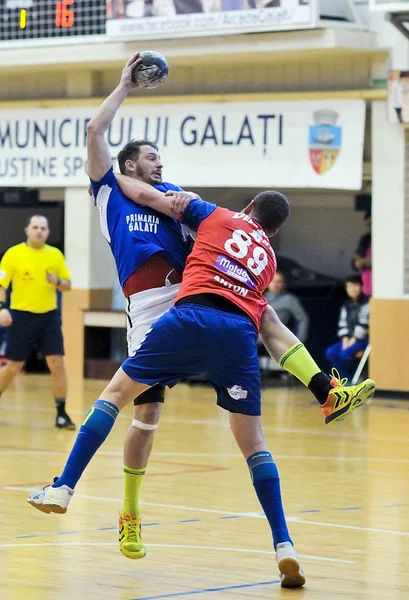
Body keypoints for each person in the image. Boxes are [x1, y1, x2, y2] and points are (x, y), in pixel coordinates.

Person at [27, 185, 376, 586]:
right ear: (274, 232)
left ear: (247, 207)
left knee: (116, 397)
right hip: (237, 339)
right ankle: (285, 545)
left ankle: (64, 487)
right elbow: (271, 328)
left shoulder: (216, 214)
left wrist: (114, 180)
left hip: (187, 319)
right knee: (255, 445)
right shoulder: (267, 258)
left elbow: (153, 197)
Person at [0, 215, 75, 429]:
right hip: (21, 316)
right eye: (35, 227)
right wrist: (2, 309)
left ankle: (61, 414)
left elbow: (68, 284)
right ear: (27, 230)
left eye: (43, 228)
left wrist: (57, 281)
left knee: (56, 363)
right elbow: (1, 284)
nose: (39, 231)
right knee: (14, 366)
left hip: (48, 317)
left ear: (48, 232)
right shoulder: (13, 254)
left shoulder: (55, 255)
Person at [325, 274, 369, 380]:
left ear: (361, 286)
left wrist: (353, 340)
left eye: (355, 285)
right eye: (349, 286)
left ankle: (358, 377)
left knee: (345, 354)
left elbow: (364, 323)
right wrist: (345, 340)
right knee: (331, 352)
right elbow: (343, 323)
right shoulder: (346, 304)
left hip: (363, 340)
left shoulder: (367, 303)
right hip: (349, 340)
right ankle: (348, 378)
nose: (352, 289)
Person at [264, 270, 309, 342]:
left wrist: (300, 340)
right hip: (259, 338)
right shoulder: (260, 298)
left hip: (279, 337)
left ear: (283, 284)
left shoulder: (289, 299)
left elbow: (302, 319)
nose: (275, 284)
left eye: (279, 282)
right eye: (273, 281)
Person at [352, 211, 371, 297]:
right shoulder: (365, 239)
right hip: (368, 287)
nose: (371, 227)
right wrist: (357, 263)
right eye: (368, 225)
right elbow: (354, 261)